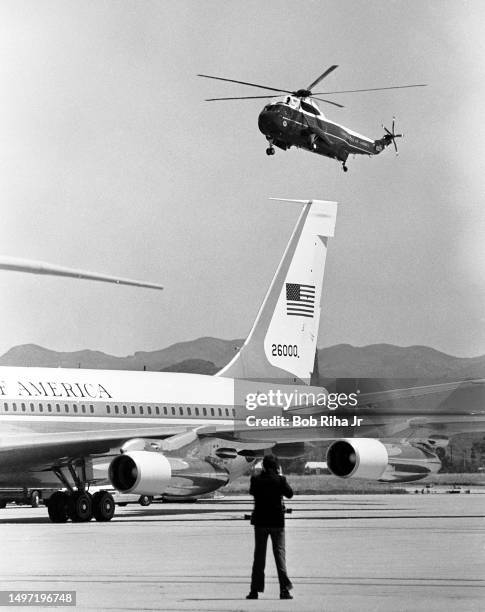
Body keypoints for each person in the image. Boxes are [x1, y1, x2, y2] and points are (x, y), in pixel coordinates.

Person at [246, 454, 294, 600]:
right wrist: (279, 477)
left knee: (259, 558)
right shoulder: (280, 480)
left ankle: (254, 590)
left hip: (260, 523)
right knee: (280, 556)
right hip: (277, 523)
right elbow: (290, 494)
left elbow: (252, 491)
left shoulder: (256, 480)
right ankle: (284, 590)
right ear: (276, 466)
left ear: (264, 466)